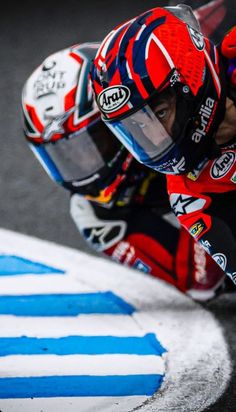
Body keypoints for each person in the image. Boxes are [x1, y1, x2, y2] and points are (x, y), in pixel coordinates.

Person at [21, 41, 227, 301]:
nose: (83, 163)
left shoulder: (175, 116)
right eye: (64, 155)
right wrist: (187, 185)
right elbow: (199, 279)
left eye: (92, 143)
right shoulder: (94, 212)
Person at [90, 4, 236, 284]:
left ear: (190, 81)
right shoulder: (191, 197)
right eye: (139, 126)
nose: (155, 138)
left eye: (159, 114)